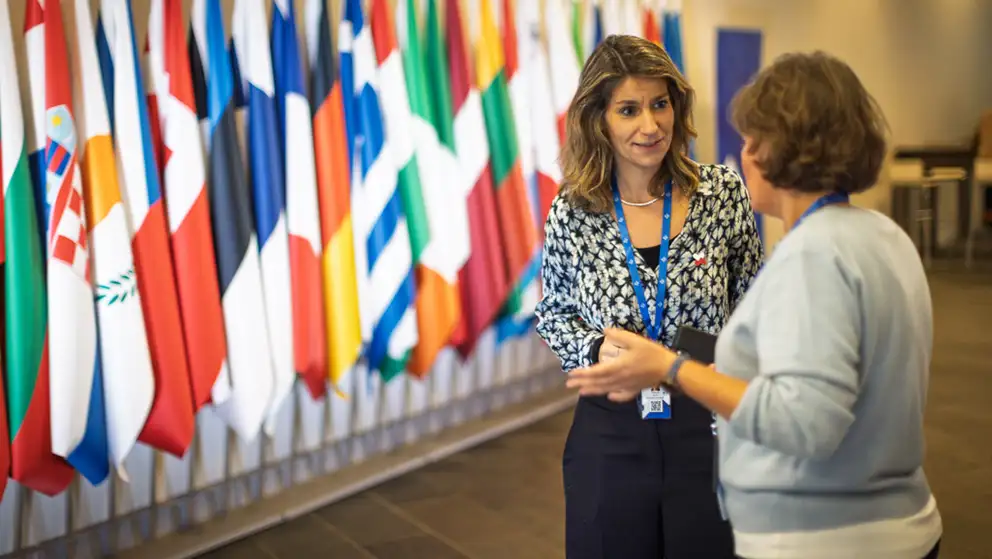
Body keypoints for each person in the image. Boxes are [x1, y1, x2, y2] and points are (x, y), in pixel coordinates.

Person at [565, 51, 943, 559]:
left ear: (775, 153)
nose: (742, 154)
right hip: (894, 520)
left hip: (830, 537)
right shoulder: (885, 235)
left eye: (750, 140)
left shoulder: (812, 256)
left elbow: (804, 423)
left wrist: (671, 367)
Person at [535, 35, 763, 559]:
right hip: (611, 429)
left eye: (660, 104)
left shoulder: (722, 194)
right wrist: (597, 351)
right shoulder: (572, 211)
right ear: (600, 119)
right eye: (629, 110)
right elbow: (554, 314)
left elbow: (753, 308)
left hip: (705, 419)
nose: (650, 125)